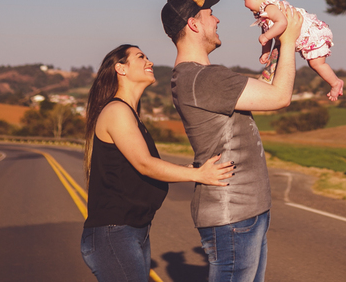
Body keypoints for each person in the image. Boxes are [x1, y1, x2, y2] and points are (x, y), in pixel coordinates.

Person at [164, 0, 303, 282]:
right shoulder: (203, 78)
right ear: (193, 25)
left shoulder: (198, 76)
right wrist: (289, 39)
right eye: (209, 15)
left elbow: (266, 89)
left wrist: (277, 44)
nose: (217, 19)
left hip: (245, 210)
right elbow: (280, 97)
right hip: (233, 214)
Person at [80, 43, 234, 282]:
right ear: (121, 69)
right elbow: (145, 164)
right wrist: (200, 175)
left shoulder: (130, 114)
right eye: (141, 57)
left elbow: (140, 168)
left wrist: (189, 169)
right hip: (114, 233)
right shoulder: (116, 111)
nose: (149, 62)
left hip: (133, 231)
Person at [238, 0, 343, 101]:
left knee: (317, 64)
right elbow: (268, 32)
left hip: (311, 34)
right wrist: (265, 51)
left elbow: (282, 23)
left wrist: (266, 37)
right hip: (300, 37)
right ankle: (335, 83)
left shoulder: (269, 7)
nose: (244, 4)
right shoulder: (265, 12)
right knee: (314, 64)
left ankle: (335, 83)